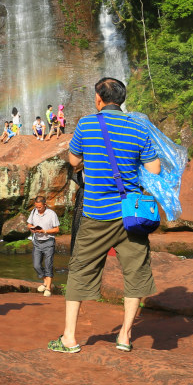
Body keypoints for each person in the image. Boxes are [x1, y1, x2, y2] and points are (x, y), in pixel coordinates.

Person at [50, 77, 161, 354]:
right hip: (131, 216)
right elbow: (155, 169)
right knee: (135, 273)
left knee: (79, 271)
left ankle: (70, 338)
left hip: (96, 213)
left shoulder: (87, 124)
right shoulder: (138, 127)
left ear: (99, 99)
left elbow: (74, 161)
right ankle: (124, 336)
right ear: (121, 99)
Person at [27, 195, 59, 296]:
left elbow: (57, 229)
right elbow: (29, 224)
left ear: (45, 205)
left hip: (48, 241)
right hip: (37, 242)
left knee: (48, 265)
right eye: (36, 207)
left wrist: (44, 231)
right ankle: (45, 282)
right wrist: (32, 228)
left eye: (40, 207)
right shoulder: (33, 212)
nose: (38, 209)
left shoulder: (51, 214)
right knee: (36, 265)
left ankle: (48, 288)